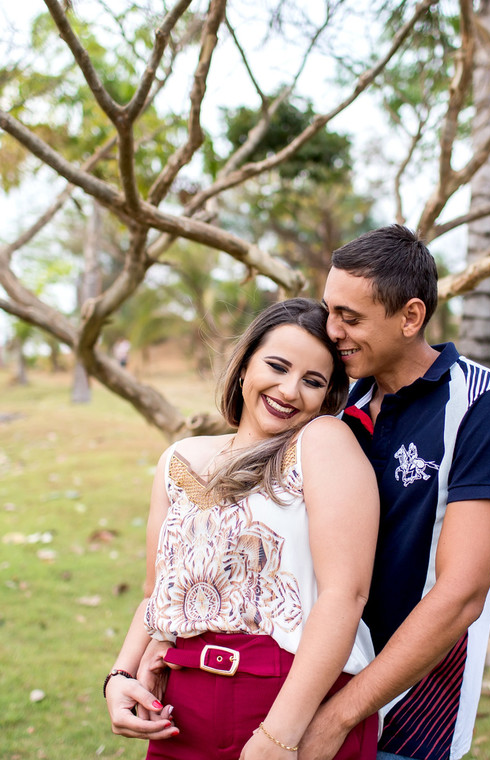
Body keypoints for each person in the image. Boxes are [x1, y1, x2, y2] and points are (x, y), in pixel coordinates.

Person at [103, 297, 382, 759]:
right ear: (243, 367)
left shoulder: (322, 443)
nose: (290, 391)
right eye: (277, 366)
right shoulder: (179, 461)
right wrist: (121, 677)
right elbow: (156, 593)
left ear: (328, 397)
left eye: (313, 381)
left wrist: (279, 735)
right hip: (182, 708)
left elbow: (345, 595)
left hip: (290, 700)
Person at [302, 225, 490, 760]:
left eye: (350, 318)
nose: (330, 331)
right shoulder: (334, 404)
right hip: (312, 684)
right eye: (328, 311)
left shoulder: (486, 407)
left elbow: (460, 596)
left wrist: (340, 716)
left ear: (410, 317)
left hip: (412, 715)